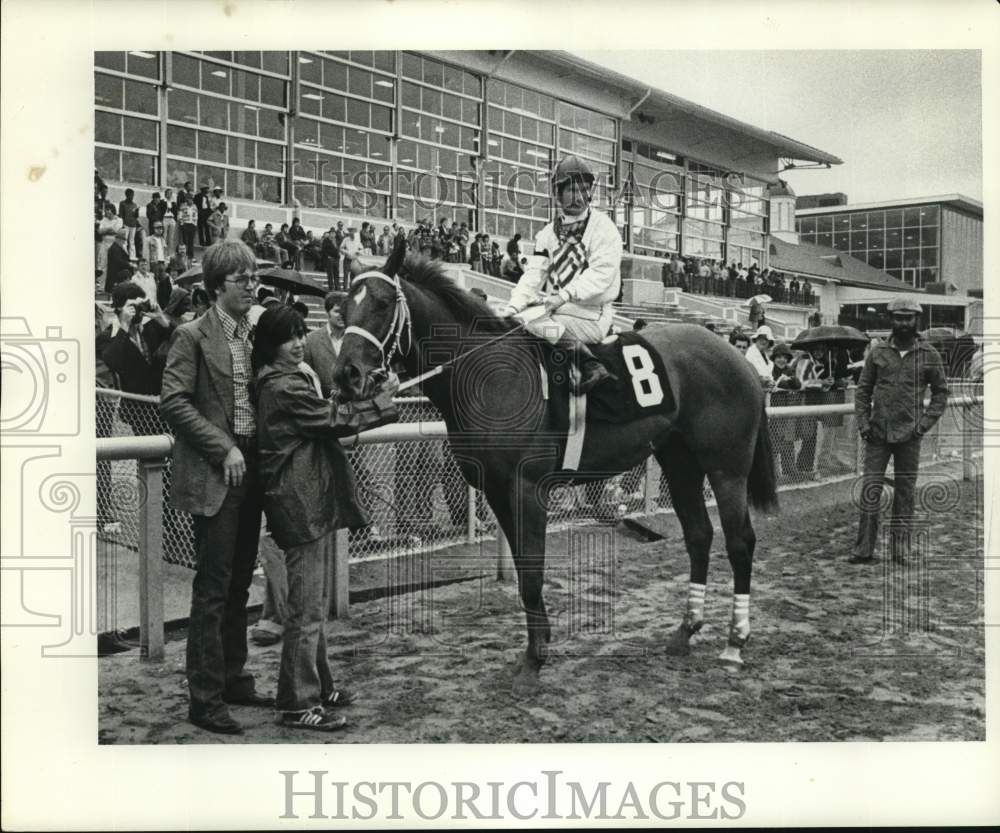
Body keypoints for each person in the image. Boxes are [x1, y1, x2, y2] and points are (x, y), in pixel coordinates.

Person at [250, 306, 399, 730]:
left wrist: (372, 396)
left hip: (307, 501)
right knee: (306, 610)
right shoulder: (281, 386)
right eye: (287, 338)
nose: (298, 343)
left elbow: (327, 413)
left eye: (300, 334)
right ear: (269, 345)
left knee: (310, 605)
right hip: (299, 505)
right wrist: (383, 405)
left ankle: (318, 688)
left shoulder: (286, 379)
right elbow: (332, 419)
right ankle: (297, 704)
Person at [160, 240, 272, 735]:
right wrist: (222, 447)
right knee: (212, 588)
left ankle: (233, 676)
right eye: (242, 279)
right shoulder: (191, 336)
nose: (252, 285)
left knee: (240, 582)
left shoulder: (256, 333)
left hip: (254, 471)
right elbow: (173, 402)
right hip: (218, 471)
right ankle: (204, 699)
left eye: (254, 277)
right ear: (216, 286)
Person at [500, 155, 620, 394]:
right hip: (560, 310)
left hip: (592, 314)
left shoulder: (604, 227)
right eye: (572, 190)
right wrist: (511, 307)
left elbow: (600, 275)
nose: (579, 197)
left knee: (532, 321)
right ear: (558, 193)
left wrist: (564, 295)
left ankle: (591, 365)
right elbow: (533, 276)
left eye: (585, 190)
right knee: (516, 318)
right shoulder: (546, 234)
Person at [851, 297, 949, 564]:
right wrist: (864, 423)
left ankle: (900, 550)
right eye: (898, 317)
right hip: (877, 434)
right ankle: (863, 549)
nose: (903, 323)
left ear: (917, 320)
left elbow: (941, 394)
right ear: (890, 320)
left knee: (905, 491)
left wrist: (922, 426)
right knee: (870, 489)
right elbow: (862, 391)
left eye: (908, 318)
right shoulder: (878, 353)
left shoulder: (929, 355)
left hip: (910, 435)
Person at [104, 227, 132, 294]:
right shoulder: (115, 248)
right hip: (115, 278)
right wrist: (129, 264)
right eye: (122, 240)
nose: (123, 242)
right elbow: (118, 261)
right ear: (117, 239)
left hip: (117, 277)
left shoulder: (118, 248)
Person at [118, 188, 140, 259]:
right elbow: (121, 214)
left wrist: (137, 212)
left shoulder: (134, 205)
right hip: (126, 224)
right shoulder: (122, 203)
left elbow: (136, 216)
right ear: (127, 195)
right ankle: (124, 255)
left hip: (133, 225)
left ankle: (132, 257)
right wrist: (122, 224)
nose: (132, 197)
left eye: (133, 195)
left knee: (132, 241)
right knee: (124, 241)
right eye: (130, 195)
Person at [177, 194, 198, 261]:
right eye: (189, 199)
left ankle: (191, 256)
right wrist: (182, 224)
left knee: (191, 241)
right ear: (187, 200)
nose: (191, 200)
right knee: (185, 241)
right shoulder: (183, 206)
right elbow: (180, 216)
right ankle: (185, 256)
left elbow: (196, 216)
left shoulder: (195, 206)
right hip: (185, 224)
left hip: (192, 225)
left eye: (192, 199)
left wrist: (195, 224)